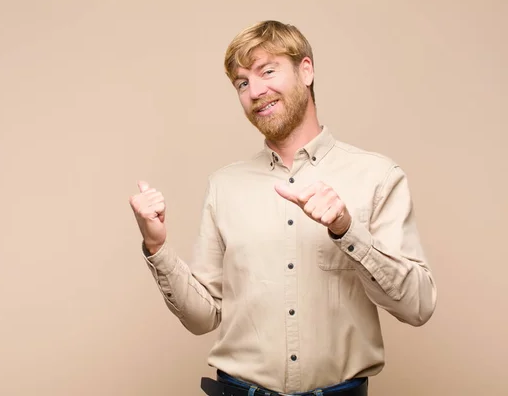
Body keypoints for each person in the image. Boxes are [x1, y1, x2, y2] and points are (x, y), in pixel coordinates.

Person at [129, 20, 437, 396]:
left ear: (306, 70)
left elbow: (418, 306)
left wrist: (347, 230)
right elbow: (203, 317)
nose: (255, 90)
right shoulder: (224, 186)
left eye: (267, 71)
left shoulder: (377, 176)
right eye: (241, 83)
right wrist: (157, 247)